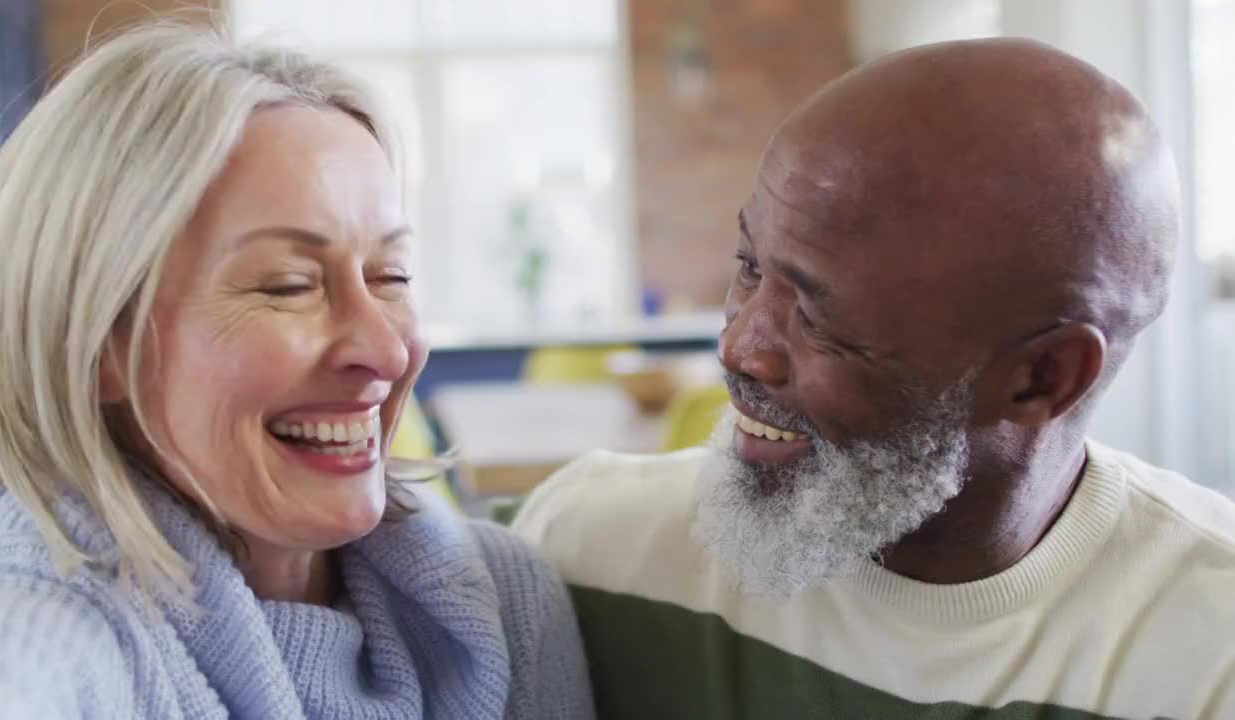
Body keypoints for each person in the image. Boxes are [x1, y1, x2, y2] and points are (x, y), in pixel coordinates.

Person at [0, 24, 593, 719]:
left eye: (390, 275)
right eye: (286, 284)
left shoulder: (504, 600)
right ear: (95, 346)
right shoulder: (51, 634)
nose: (386, 348)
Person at [512, 38, 1235, 719]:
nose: (738, 348)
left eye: (819, 316)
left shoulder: (1209, 659)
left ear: (1042, 377)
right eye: (748, 268)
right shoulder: (588, 553)